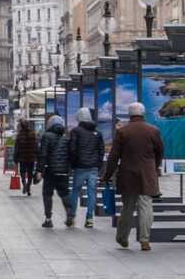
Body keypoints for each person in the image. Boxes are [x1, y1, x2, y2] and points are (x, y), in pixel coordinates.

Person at [101, 101, 163, 251]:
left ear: (130, 115)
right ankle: (144, 240)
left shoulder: (122, 132)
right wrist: (154, 168)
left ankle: (122, 237)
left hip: (127, 174)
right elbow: (160, 152)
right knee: (146, 205)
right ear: (143, 113)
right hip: (147, 174)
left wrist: (107, 175)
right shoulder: (153, 130)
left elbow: (114, 157)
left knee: (128, 207)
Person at [66, 107, 104, 228]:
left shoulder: (75, 131)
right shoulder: (97, 133)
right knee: (92, 192)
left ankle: (71, 217)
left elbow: (72, 149)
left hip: (80, 167)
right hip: (93, 168)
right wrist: (98, 164)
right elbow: (101, 151)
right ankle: (89, 218)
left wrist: (73, 163)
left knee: (75, 191)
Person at [37, 115, 71, 228]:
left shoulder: (46, 136)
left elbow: (43, 155)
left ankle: (48, 219)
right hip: (63, 171)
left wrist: (39, 170)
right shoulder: (66, 138)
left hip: (50, 171)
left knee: (47, 194)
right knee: (64, 193)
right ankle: (70, 213)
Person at [14, 119, 38, 196]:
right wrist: (37, 156)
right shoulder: (33, 134)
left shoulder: (19, 135)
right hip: (31, 158)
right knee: (30, 173)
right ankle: (28, 187)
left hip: (22, 158)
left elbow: (16, 148)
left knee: (23, 172)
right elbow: (36, 146)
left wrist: (15, 158)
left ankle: (24, 184)